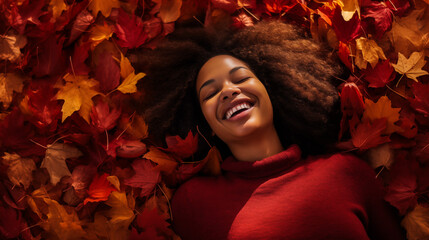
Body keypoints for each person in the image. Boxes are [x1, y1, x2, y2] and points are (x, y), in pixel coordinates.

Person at [132, 21, 404, 240]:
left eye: (240, 78)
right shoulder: (193, 203)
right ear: (204, 124)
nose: (228, 91)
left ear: (273, 89)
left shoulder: (347, 173)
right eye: (211, 93)